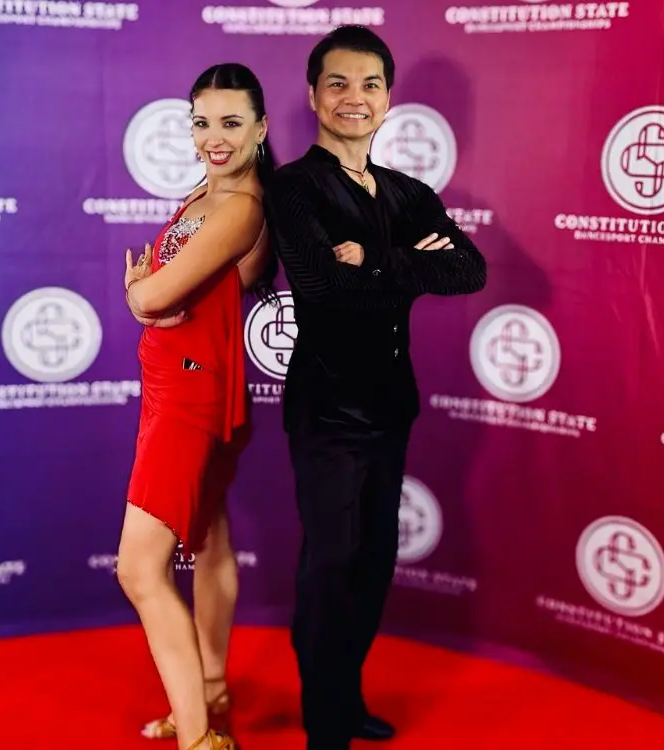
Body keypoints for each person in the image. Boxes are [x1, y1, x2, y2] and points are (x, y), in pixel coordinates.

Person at [263, 25, 488, 750]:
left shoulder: (408, 191)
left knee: (374, 565)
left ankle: (346, 694)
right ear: (313, 96)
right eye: (338, 83)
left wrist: (381, 260)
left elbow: (469, 269)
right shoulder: (294, 186)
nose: (354, 98)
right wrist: (394, 270)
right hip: (326, 410)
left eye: (369, 85)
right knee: (328, 568)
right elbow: (325, 289)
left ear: (388, 99)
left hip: (392, 408)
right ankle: (325, 724)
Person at [118, 61, 278, 750]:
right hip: (175, 387)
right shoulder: (203, 195)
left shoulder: (242, 206)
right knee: (208, 542)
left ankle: (198, 740)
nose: (214, 137)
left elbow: (153, 298)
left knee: (139, 568)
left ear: (261, 128)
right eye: (202, 122)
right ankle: (209, 696)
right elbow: (192, 289)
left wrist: (139, 292)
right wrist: (161, 291)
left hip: (190, 395)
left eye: (232, 123)